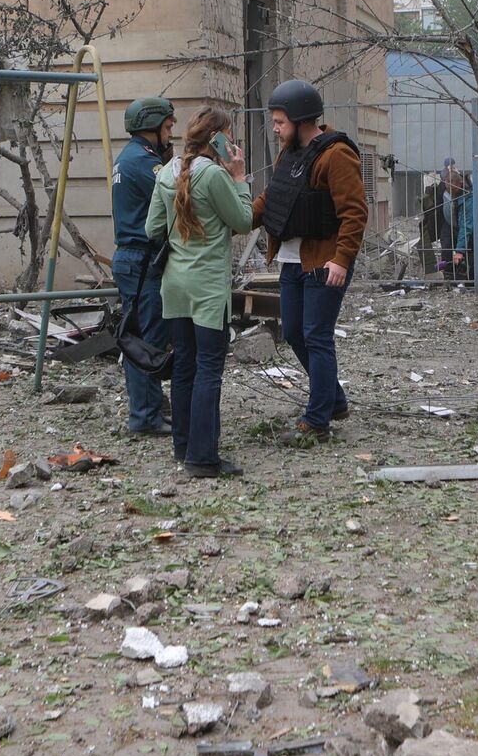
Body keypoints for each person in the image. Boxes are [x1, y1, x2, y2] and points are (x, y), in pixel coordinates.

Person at [251, 80, 369, 445]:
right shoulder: (288, 154)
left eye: (280, 121)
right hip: (291, 262)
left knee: (317, 337)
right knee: (295, 333)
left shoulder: (336, 155)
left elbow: (354, 213)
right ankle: (334, 400)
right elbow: (274, 198)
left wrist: (342, 259)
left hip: (324, 263)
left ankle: (317, 419)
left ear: (301, 120)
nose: (275, 127)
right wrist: (236, 218)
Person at [146, 108, 253, 478]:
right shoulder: (215, 176)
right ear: (217, 139)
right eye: (228, 135)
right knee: (209, 368)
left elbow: (151, 228)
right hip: (207, 286)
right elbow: (242, 220)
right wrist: (239, 178)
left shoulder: (166, 174)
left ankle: (183, 445)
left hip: (174, 285)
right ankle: (203, 457)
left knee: (185, 365)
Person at [112, 95, 178, 435]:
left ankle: (150, 411)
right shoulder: (143, 162)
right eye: (167, 127)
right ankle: (145, 417)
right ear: (151, 127)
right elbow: (178, 195)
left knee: (144, 336)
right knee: (145, 342)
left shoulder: (131, 156)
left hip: (134, 258)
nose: (170, 133)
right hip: (141, 259)